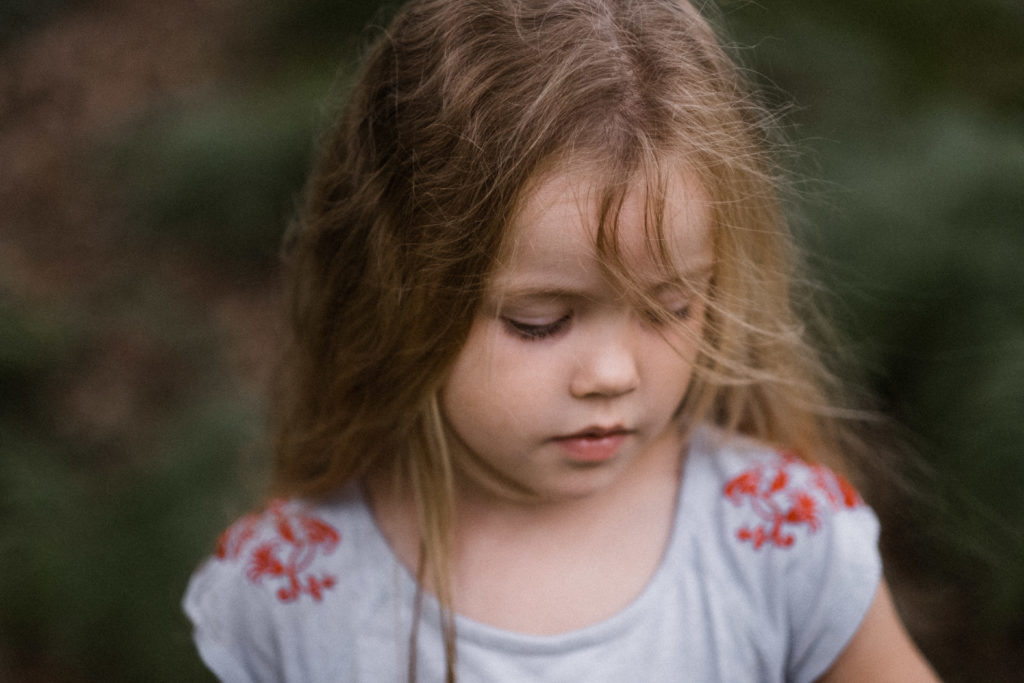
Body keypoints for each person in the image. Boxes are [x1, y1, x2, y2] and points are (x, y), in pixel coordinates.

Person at [184, 0, 939, 680]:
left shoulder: (780, 541)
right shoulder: (293, 593)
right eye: (538, 321)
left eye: (669, 307)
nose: (611, 373)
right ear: (395, 292)